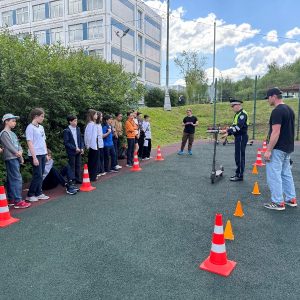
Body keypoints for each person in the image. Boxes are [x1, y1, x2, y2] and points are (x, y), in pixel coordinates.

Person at [263, 87, 297, 210]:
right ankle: (291, 198)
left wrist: (268, 150)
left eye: (268, 98)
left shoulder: (277, 111)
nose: (268, 101)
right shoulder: (289, 109)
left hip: (277, 148)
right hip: (287, 147)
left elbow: (275, 132)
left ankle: (278, 202)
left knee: (274, 175)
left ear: (273, 96)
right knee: (286, 174)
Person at [0, 114, 31, 209]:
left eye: (15, 121)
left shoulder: (13, 133)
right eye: (13, 121)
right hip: (10, 157)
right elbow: (10, 146)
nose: (15, 123)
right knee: (17, 178)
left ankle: (12, 199)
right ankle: (18, 201)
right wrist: (19, 155)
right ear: (6, 121)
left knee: (12, 178)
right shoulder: (4, 133)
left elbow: (18, 145)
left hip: (16, 157)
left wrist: (20, 153)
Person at [220, 99, 249, 182]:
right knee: (238, 156)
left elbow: (238, 127)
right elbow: (234, 126)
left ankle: (239, 175)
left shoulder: (242, 114)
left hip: (241, 137)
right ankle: (238, 174)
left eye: (233, 106)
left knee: (239, 156)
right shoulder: (238, 114)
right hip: (239, 137)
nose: (232, 108)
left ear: (238, 105)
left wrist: (228, 133)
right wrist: (227, 131)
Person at [25, 108, 50, 202]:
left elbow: (44, 141)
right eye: (42, 116)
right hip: (35, 155)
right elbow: (29, 142)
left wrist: (46, 153)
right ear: (36, 116)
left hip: (43, 153)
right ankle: (30, 194)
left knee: (41, 174)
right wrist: (34, 157)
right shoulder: (30, 127)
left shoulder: (41, 127)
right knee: (37, 175)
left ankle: (39, 193)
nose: (43, 118)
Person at [63, 115, 84, 185]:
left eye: (76, 120)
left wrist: (82, 148)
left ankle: (78, 179)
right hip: (72, 151)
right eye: (74, 121)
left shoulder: (78, 128)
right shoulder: (66, 130)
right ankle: (72, 180)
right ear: (70, 122)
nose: (76, 122)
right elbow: (66, 142)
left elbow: (81, 139)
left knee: (78, 165)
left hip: (79, 150)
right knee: (72, 166)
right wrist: (75, 148)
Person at [84, 109, 99, 182]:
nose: (97, 116)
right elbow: (88, 136)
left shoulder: (92, 124)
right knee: (93, 161)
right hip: (92, 146)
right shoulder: (91, 124)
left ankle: (93, 175)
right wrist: (88, 145)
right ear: (92, 115)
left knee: (93, 161)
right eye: (96, 114)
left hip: (94, 145)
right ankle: (92, 176)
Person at [96, 111, 105, 177]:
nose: (102, 117)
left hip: (101, 143)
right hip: (97, 144)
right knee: (98, 158)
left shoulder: (100, 124)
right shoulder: (95, 125)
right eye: (101, 116)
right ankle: (98, 171)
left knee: (101, 157)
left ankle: (101, 170)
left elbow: (101, 135)